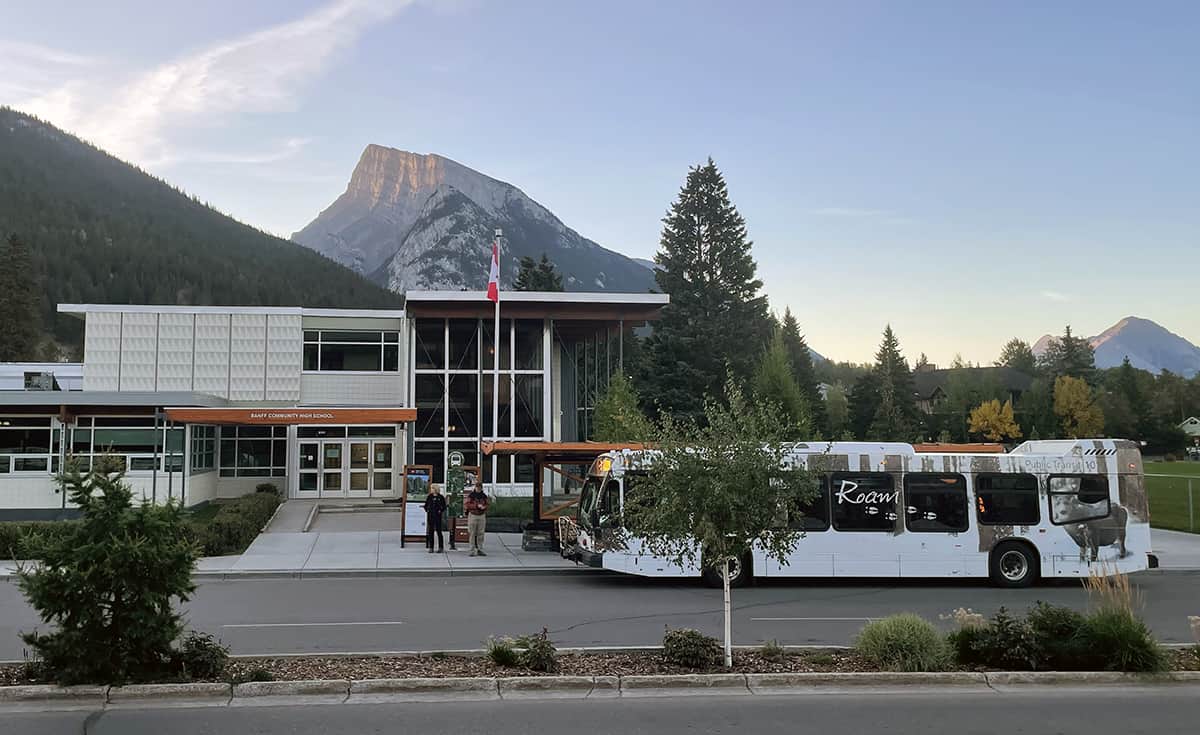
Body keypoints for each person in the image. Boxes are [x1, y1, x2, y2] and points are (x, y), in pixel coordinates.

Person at [464, 484, 490, 556]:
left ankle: (480, 549)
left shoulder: (484, 496)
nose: (478, 489)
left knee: (481, 533)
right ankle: (472, 550)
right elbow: (467, 504)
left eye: (479, 488)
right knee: (472, 533)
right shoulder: (471, 496)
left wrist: (484, 507)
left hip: (481, 515)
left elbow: (488, 504)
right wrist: (476, 506)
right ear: (475, 488)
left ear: (481, 488)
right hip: (473, 515)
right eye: (477, 487)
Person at [422, 484, 447, 553]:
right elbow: (426, 505)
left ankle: (441, 547)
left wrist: (440, 511)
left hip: (438, 516)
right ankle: (431, 547)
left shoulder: (441, 497)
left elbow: (444, 506)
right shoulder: (429, 497)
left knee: (439, 532)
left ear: (435, 489)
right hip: (431, 516)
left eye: (432, 488)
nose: (431, 489)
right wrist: (427, 509)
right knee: (431, 532)